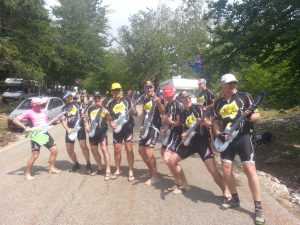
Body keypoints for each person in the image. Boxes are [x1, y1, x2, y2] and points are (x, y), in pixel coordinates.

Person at [213, 73, 265, 225]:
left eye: (234, 83)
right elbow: (216, 121)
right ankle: (234, 198)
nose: (232, 86)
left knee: (249, 169)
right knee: (226, 169)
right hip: (226, 139)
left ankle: (258, 207)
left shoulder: (244, 96)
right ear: (222, 85)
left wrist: (249, 116)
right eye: (229, 84)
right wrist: (217, 133)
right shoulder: (218, 103)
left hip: (243, 137)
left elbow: (257, 116)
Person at [165, 92, 230, 196]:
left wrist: (204, 122)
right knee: (172, 161)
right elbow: (183, 127)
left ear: (191, 98)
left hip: (202, 143)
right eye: (183, 99)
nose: (186, 100)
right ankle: (184, 184)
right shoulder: (182, 112)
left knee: (213, 170)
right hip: (189, 143)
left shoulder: (199, 108)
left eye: (188, 97)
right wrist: (183, 134)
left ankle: (225, 191)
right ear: (180, 100)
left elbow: (210, 123)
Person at [13, 97, 61, 180]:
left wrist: (56, 121)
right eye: (38, 104)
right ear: (33, 105)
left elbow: (46, 122)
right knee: (35, 155)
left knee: (54, 150)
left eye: (41, 104)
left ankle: (51, 168)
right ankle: (27, 173)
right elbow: (15, 120)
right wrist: (25, 127)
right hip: (36, 135)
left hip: (44, 134)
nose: (40, 106)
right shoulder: (29, 112)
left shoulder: (43, 112)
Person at [107, 82, 135, 182]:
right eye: (114, 90)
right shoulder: (110, 103)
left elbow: (135, 112)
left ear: (121, 90)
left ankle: (131, 170)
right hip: (117, 130)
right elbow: (108, 116)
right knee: (117, 149)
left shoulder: (127, 100)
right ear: (111, 92)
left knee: (129, 149)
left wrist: (132, 111)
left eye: (118, 90)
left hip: (128, 128)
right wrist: (111, 123)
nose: (116, 92)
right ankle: (118, 169)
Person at [138, 80, 165, 186]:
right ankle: (152, 171)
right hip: (145, 127)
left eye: (150, 87)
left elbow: (163, 111)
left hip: (154, 127)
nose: (149, 89)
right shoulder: (145, 98)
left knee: (149, 151)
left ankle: (155, 176)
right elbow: (144, 112)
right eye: (147, 87)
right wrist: (141, 125)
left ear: (154, 88)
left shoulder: (159, 98)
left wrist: (158, 102)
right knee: (141, 150)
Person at [61, 92, 92, 173]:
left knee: (83, 146)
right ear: (65, 99)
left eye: (70, 97)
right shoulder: (64, 109)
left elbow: (85, 115)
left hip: (80, 128)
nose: (69, 99)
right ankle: (76, 163)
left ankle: (88, 163)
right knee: (69, 150)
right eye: (67, 98)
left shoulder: (78, 105)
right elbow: (63, 121)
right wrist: (68, 129)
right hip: (70, 130)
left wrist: (86, 124)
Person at [85, 92, 111, 179]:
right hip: (92, 133)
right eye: (95, 98)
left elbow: (109, 120)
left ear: (101, 99)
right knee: (94, 150)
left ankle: (108, 169)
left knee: (104, 149)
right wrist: (87, 125)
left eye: (98, 98)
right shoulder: (90, 109)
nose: (97, 100)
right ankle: (100, 167)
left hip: (102, 132)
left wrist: (107, 114)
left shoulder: (104, 109)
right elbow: (86, 119)